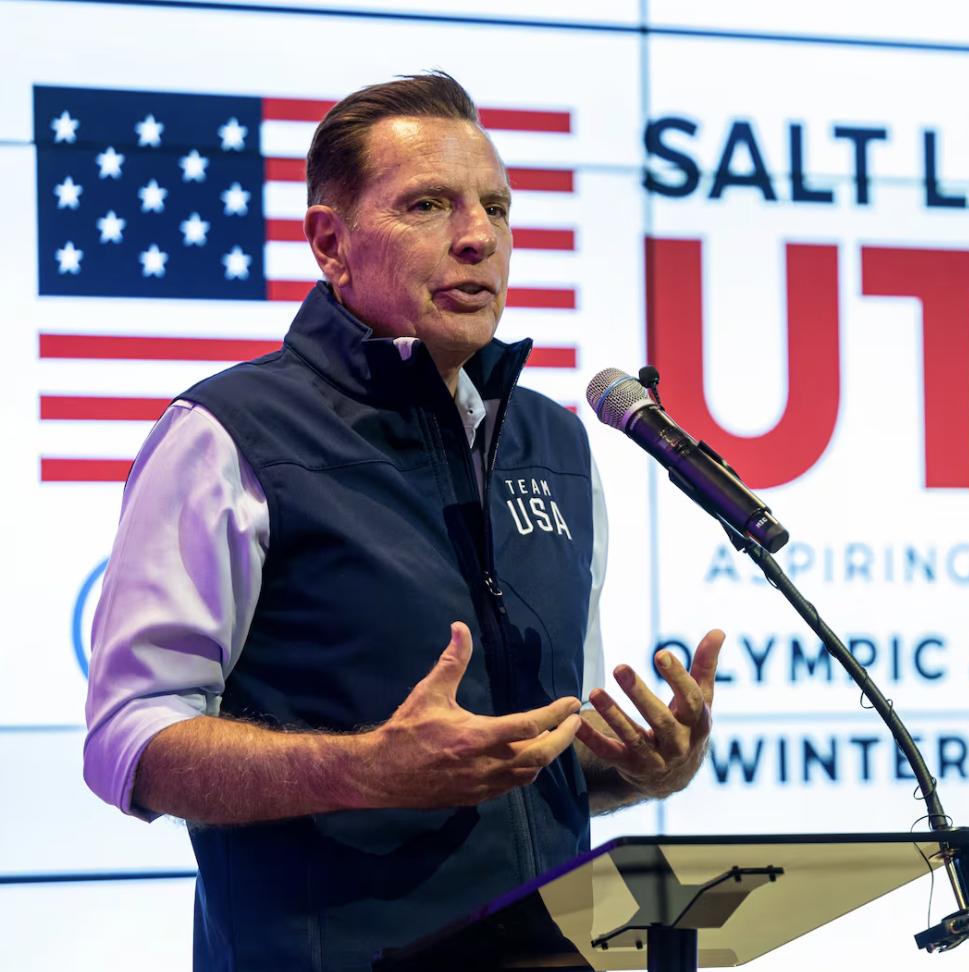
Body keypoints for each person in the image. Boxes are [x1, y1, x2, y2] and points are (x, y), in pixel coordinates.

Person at [81, 71, 724, 972]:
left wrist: (641, 767)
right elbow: (129, 742)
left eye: (496, 208)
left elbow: (540, 756)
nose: (478, 237)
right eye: (428, 205)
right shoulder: (227, 435)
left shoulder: (557, 443)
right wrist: (362, 770)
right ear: (330, 244)